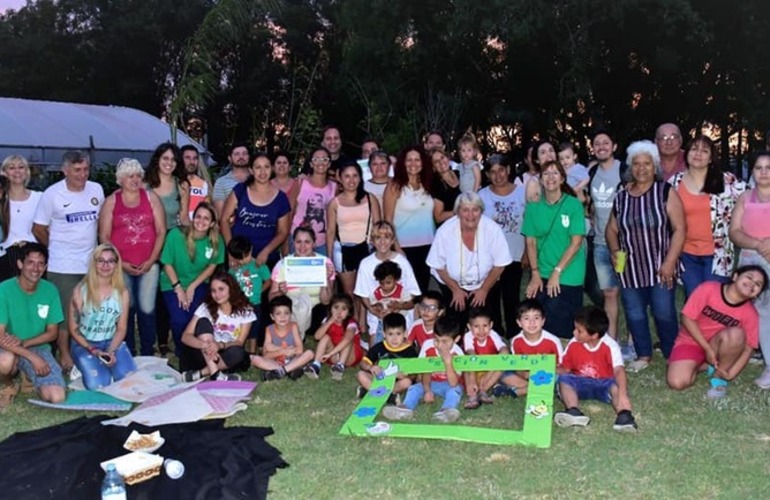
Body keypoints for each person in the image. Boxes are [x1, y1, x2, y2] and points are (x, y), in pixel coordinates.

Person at [606, 140, 685, 372]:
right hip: (630, 268)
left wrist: (670, 261)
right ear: (631, 167)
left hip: (661, 265)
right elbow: (611, 229)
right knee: (634, 313)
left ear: (655, 166)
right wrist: (613, 250)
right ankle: (643, 354)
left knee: (664, 312)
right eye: (636, 164)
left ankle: (672, 353)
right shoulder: (621, 196)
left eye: (647, 164)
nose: (641, 168)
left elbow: (680, 228)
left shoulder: (665, 191)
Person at [33, 150, 104, 371]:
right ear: (65, 170)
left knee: (87, 312)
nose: (82, 175)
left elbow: (100, 222)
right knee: (65, 313)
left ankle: (83, 351)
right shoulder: (52, 194)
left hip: (90, 264)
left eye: (85, 169)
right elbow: (38, 229)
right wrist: (56, 248)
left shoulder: (96, 190)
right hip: (63, 265)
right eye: (77, 170)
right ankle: (64, 355)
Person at [666, 265, 767, 398]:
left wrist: (731, 374)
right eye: (749, 277)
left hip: (720, 347)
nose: (752, 284)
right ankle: (704, 366)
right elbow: (687, 318)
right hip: (691, 341)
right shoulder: (709, 288)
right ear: (735, 276)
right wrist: (707, 348)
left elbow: (749, 348)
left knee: (736, 334)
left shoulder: (750, 313)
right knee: (677, 383)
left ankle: (719, 377)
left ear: (758, 292)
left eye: (758, 284)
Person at [99, 158, 166, 356]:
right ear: (120, 179)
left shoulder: (150, 197)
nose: (135, 179)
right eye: (130, 176)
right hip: (121, 266)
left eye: (138, 175)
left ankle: (147, 352)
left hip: (149, 264)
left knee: (147, 309)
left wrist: (152, 259)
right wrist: (120, 263)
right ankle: (127, 350)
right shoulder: (112, 201)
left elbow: (161, 230)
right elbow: (104, 236)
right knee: (126, 309)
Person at [668, 135, 746, 298]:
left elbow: (753, 199)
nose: (698, 154)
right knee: (694, 298)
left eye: (704, 151)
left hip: (718, 254)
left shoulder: (727, 181)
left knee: (714, 299)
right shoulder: (674, 183)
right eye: (694, 149)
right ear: (687, 153)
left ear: (711, 158)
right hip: (685, 253)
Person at [428, 192, 512, 329]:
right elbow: (438, 265)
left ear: (481, 211)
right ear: (457, 212)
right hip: (453, 283)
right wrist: (455, 289)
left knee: (487, 322)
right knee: (457, 323)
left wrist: (484, 290)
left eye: (475, 210)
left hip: (486, 281)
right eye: (465, 210)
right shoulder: (445, 231)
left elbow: (500, 265)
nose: (470, 215)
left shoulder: (492, 229)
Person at [521, 160, 586, 339]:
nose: (550, 178)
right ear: (540, 180)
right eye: (546, 174)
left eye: (555, 173)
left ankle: (563, 355)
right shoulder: (534, 207)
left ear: (563, 179)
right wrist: (534, 273)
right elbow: (531, 242)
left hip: (568, 271)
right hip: (542, 269)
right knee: (536, 315)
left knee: (559, 314)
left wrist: (557, 272)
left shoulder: (573, 205)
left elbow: (576, 242)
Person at [0, 243, 65, 409]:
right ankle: (9, 385)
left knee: (56, 397)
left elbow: (52, 333)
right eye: (30, 262)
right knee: (5, 361)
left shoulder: (50, 290)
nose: (35, 268)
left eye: (40, 263)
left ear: (46, 267)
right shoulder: (4, 289)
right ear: (20, 264)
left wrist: (26, 346)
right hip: (8, 348)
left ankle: (28, 376)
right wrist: (31, 357)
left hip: (35, 346)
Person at [554, 306, 637, 432]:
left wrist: (623, 394)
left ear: (594, 335)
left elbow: (619, 370)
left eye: (579, 331)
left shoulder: (610, 346)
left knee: (616, 386)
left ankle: (624, 416)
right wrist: (549, 369)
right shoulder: (574, 343)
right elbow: (565, 368)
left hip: (604, 384)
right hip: (580, 383)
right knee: (564, 380)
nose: (574, 333)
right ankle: (573, 411)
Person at [160, 202, 225, 357]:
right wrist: (179, 289)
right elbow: (167, 263)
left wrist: (192, 287)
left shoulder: (216, 240)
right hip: (172, 282)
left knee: (196, 317)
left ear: (212, 223)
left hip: (198, 283)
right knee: (179, 319)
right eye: (198, 217)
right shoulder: (176, 235)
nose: (201, 221)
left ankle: (197, 349)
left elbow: (212, 266)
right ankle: (182, 351)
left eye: (206, 219)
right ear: (192, 217)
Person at [68, 244, 135, 390]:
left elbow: (122, 327)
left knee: (128, 381)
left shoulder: (122, 292)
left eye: (111, 261)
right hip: (85, 343)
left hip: (111, 340)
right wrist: (94, 350)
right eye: (101, 260)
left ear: (116, 265)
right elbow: (74, 329)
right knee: (98, 385)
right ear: (94, 263)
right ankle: (80, 366)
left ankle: (106, 366)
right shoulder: (80, 290)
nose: (105, 265)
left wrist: (110, 351)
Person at [729, 152, 770, 388]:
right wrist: (759, 244)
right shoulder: (745, 198)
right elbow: (735, 232)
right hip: (751, 260)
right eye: (758, 167)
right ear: (752, 172)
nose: (764, 172)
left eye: (768, 167)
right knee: (762, 314)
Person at [326, 161, 381, 325]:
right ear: (340, 179)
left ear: (360, 178)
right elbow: (330, 231)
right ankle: (354, 322)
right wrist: (328, 258)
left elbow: (378, 225)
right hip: (343, 250)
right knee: (349, 292)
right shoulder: (334, 203)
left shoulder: (370, 199)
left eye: (355, 175)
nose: (351, 180)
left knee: (364, 289)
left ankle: (363, 323)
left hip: (367, 248)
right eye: (347, 176)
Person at [478, 154, 526, 336]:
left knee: (512, 295)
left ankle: (514, 332)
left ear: (508, 170)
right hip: (490, 257)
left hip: (515, 253)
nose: (498, 175)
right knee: (491, 295)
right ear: (488, 175)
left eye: (501, 170)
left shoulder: (522, 192)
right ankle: (495, 331)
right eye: (493, 172)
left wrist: (527, 254)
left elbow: (529, 224)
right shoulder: (482, 195)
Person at [587, 130, 627, 348]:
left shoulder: (624, 170)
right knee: (609, 292)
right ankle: (613, 342)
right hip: (601, 243)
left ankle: (635, 340)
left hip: (625, 245)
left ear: (613, 146)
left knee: (631, 293)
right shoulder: (592, 172)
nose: (601, 146)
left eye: (605, 142)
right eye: (597, 143)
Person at [382, 316, 464, 423]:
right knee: (414, 389)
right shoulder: (428, 345)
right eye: (437, 340)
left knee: (455, 391)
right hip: (430, 382)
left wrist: (448, 363)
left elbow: (453, 383)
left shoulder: (458, 353)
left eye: (444, 341)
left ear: (456, 339)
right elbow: (425, 370)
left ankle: (446, 410)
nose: (439, 345)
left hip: (448, 384)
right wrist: (427, 390)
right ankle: (405, 408)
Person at [179, 272, 256, 381]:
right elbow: (185, 336)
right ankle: (215, 374)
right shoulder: (205, 307)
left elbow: (240, 342)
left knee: (239, 352)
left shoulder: (245, 311)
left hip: (224, 356)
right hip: (202, 353)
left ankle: (201, 373)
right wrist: (205, 345)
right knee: (203, 322)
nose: (217, 294)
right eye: (213, 291)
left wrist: (220, 346)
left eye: (221, 289)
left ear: (231, 288)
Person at [354, 220, 421, 343]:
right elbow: (364, 295)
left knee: (403, 353)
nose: (383, 241)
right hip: (378, 314)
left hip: (402, 313)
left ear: (393, 240)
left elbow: (413, 295)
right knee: (377, 355)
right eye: (378, 237)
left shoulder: (402, 262)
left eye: (387, 237)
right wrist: (374, 311)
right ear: (372, 241)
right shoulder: (365, 264)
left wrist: (400, 306)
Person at [221, 152, 291, 269]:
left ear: (272, 169)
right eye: (258, 167)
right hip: (238, 258)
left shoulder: (281, 198)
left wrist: (266, 251)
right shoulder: (240, 190)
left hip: (265, 260)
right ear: (251, 170)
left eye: (266, 167)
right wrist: (231, 252)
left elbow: (283, 232)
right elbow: (224, 220)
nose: (262, 172)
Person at [383, 146, 436, 292]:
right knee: (406, 292)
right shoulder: (394, 186)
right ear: (403, 163)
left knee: (423, 290)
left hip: (429, 246)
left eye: (417, 159)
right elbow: (388, 219)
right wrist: (397, 247)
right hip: (404, 248)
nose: (413, 163)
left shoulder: (428, 184)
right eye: (409, 160)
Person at [269, 227, 336, 338]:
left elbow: (326, 301)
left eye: (307, 242)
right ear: (293, 243)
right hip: (290, 310)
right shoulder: (283, 264)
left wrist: (325, 279)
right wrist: (280, 292)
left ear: (314, 244)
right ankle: (297, 334)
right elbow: (271, 297)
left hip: (316, 310)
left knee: (320, 309)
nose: (302, 246)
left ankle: (297, 334)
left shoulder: (325, 263)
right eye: (298, 242)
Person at [491, 299, 564, 398]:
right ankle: (538, 388)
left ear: (543, 321)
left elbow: (563, 368)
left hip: (548, 374)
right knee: (503, 371)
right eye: (526, 318)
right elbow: (517, 366)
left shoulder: (553, 341)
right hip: (525, 375)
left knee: (561, 378)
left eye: (536, 318)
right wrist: (525, 374)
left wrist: (542, 371)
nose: (532, 322)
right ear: (519, 322)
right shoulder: (516, 341)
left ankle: (517, 391)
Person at [355, 312, 418, 400]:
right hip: (379, 379)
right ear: (384, 334)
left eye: (398, 334)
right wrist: (371, 367)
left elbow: (414, 374)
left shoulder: (410, 351)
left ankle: (372, 392)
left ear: (405, 333)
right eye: (390, 334)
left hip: (396, 382)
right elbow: (363, 363)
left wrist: (404, 375)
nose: (394, 338)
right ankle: (387, 395)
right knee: (360, 374)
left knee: (407, 382)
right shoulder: (379, 347)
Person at [0, 155, 42, 281]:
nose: (17, 171)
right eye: (11, 168)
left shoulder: (40, 197)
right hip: (5, 257)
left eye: (21, 167)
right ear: (4, 172)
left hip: (34, 256)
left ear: (27, 171)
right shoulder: (2, 200)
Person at [227, 236, 271, 353]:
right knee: (238, 326)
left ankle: (252, 350)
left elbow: (268, 280)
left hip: (255, 302)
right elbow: (229, 285)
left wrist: (260, 290)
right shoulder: (233, 270)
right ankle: (238, 347)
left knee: (255, 327)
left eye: (246, 256)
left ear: (251, 250)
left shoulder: (258, 265)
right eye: (240, 259)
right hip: (238, 303)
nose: (244, 260)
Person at [290, 147, 337, 255]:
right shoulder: (300, 183)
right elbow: (290, 212)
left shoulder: (334, 187)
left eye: (325, 159)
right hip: (297, 241)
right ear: (311, 163)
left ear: (329, 164)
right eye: (316, 159)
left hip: (322, 242)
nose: (321, 163)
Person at [305, 294, 364, 381]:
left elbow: (347, 340)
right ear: (330, 309)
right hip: (334, 355)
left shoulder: (351, 324)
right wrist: (329, 322)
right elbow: (317, 337)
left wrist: (330, 354)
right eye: (336, 307)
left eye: (344, 309)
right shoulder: (327, 320)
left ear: (349, 312)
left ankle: (340, 366)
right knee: (325, 337)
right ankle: (316, 365)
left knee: (347, 341)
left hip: (349, 356)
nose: (339, 312)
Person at [462, 308, 508, 409]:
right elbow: (471, 355)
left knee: (502, 365)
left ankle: (483, 391)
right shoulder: (468, 336)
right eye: (476, 326)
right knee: (466, 367)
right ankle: (472, 396)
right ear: (469, 327)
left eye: (485, 326)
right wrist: (473, 379)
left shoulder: (493, 335)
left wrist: (489, 372)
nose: (482, 330)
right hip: (473, 369)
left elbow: (504, 351)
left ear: (491, 325)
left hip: (490, 370)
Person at [261, 296, 315, 380]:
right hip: (276, 361)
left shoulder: (293, 326)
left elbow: (300, 350)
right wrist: (282, 351)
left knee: (310, 353)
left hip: (293, 359)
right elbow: (265, 355)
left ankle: (282, 371)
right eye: (278, 314)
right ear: (272, 316)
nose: (283, 317)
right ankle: (290, 370)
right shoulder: (269, 329)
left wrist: (275, 348)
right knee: (254, 359)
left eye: (286, 313)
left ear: (290, 314)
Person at [366, 261, 415, 345]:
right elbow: (372, 305)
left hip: (399, 321)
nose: (385, 286)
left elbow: (409, 304)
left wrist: (399, 306)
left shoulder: (401, 291)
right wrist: (378, 308)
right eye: (382, 283)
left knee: (403, 339)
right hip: (384, 321)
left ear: (396, 279)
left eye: (388, 283)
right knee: (379, 339)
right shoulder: (377, 292)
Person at [146, 142, 190, 230]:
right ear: (157, 159)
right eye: (165, 158)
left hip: (170, 238)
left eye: (173, 159)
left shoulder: (182, 185)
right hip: (146, 237)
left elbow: (184, 218)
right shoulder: (143, 185)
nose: (169, 162)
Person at [212, 143, 250, 218]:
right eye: (237, 154)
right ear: (230, 158)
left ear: (249, 157)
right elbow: (220, 215)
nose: (241, 157)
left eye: (244, 154)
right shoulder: (221, 182)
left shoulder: (258, 179)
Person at [430, 148, 461, 226]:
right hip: (450, 228)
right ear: (433, 167)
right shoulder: (436, 185)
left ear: (447, 157)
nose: (441, 162)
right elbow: (438, 217)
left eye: (442, 157)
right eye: (436, 161)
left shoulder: (460, 173)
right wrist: (458, 212)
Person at [181, 145, 213, 220]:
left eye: (195, 158)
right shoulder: (174, 182)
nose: (192, 162)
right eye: (187, 158)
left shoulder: (203, 184)